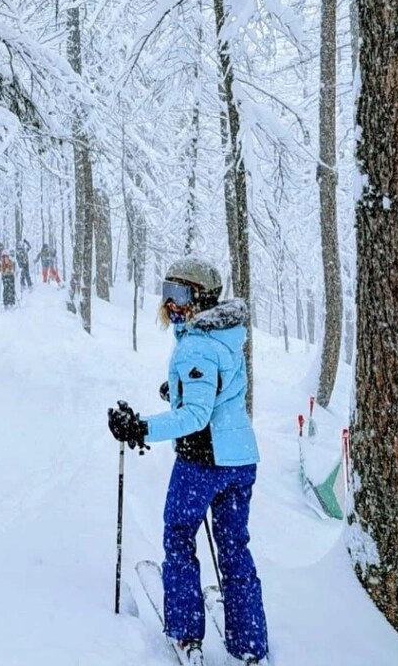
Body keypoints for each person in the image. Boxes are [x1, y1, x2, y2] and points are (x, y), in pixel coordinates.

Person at [106, 257, 269, 666]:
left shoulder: (195, 345)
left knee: (179, 537)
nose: (171, 304)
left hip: (203, 461)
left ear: (202, 298)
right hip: (240, 460)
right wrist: (178, 389)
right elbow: (223, 388)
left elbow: (196, 416)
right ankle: (249, 641)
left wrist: (139, 428)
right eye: (167, 293)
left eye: (180, 295)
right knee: (234, 547)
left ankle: (185, 631)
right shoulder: (227, 334)